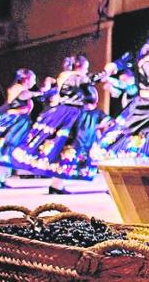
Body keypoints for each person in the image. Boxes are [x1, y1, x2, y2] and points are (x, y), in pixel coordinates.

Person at [12, 55, 117, 194]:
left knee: (67, 147)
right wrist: (107, 70)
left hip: (73, 114)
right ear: (79, 65)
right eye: (86, 66)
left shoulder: (66, 76)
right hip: (74, 115)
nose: (87, 70)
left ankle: (56, 184)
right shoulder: (74, 76)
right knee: (79, 145)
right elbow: (91, 79)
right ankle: (110, 184)